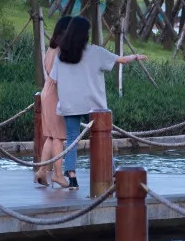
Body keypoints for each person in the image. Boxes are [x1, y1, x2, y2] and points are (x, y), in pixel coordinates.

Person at [49, 16, 146, 190]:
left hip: (70, 104)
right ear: (84, 34)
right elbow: (121, 60)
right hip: (94, 105)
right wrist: (135, 56)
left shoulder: (62, 54)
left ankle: (71, 177)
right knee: (102, 138)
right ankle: (108, 171)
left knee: (72, 139)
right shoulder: (95, 52)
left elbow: (53, 79)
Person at [35, 16, 72, 188]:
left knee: (50, 136)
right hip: (55, 93)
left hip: (46, 91)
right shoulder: (61, 52)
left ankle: (42, 171)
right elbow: (61, 77)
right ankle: (57, 174)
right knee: (58, 137)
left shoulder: (52, 49)